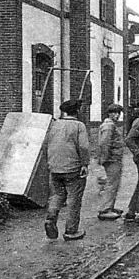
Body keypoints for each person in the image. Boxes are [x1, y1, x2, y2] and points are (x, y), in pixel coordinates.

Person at [44, 99, 90, 242]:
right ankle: (71, 231)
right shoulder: (78, 126)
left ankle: (50, 218)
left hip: (55, 167)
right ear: (76, 111)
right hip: (73, 168)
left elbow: (46, 143)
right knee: (74, 199)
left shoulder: (54, 124)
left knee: (57, 195)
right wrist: (84, 164)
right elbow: (83, 147)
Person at [96, 104, 125, 221]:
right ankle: (105, 210)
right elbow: (104, 144)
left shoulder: (111, 125)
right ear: (109, 113)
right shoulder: (108, 126)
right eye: (114, 113)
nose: (117, 115)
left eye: (118, 113)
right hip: (112, 159)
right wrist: (104, 158)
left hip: (114, 158)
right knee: (111, 184)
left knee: (114, 183)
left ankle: (110, 207)